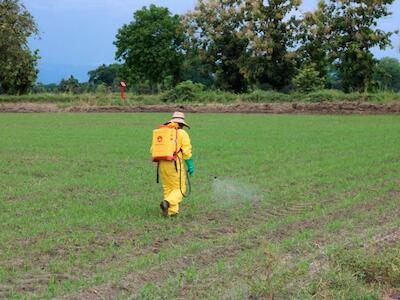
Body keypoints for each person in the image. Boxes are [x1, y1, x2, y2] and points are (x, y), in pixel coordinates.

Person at [154, 112, 194, 216]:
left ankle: (171, 212)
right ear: (182, 124)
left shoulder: (163, 132)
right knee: (180, 189)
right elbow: (186, 151)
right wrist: (190, 164)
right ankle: (167, 202)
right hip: (174, 164)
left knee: (168, 187)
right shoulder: (182, 133)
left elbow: (152, 149)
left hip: (161, 164)